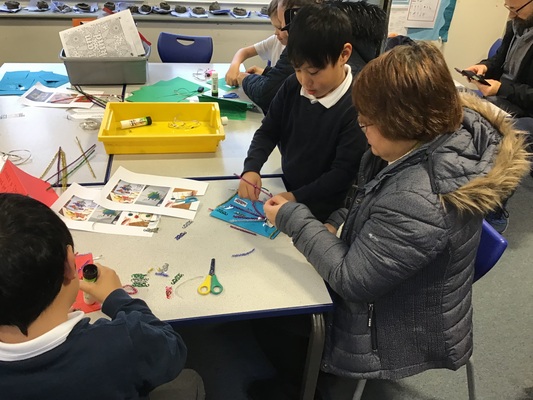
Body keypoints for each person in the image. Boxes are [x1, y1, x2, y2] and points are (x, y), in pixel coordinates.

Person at [263, 42, 529, 397]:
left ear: (402, 122)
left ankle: (308, 386)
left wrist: (293, 218)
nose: (361, 128)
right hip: (397, 278)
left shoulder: (418, 198)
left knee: (280, 315)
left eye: (367, 122)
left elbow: (352, 280)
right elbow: (364, 196)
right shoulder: (422, 144)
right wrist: (337, 222)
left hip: (400, 320)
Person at [0, 194, 202, 399]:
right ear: (70, 264)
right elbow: (172, 349)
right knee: (190, 380)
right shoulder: (123, 341)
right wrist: (117, 298)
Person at [238, 3, 367, 223]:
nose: (305, 81)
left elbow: (342, 174)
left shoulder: (357, 106)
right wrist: (251, 168)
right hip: (287, 186)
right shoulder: (292, 85)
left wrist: (295, 197)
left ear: (344, 54)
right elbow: (268, 131)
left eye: (314, 72)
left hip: (325, 210)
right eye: (298, 69)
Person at [464, 0, 533, 231]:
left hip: (527, 110)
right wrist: (483, 68)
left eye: (515, 9)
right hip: (505, 98)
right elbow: (499, 62)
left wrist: (502, 89)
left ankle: (495, 208)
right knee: (461, 112)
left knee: (508, 138)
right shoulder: (516, 24)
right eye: (507, 7)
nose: (510, 15)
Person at [239, 0, 317, 114]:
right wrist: (266, 72)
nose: (305, 80)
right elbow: (285, 78)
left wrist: (244, 79)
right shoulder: (301, 43)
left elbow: (266, 95)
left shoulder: (301, 47)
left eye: (280, 25)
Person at [225, 0, 288, 87]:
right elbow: (244, 52)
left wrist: (245, 79)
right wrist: (234, 67)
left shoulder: (294, 53)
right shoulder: (275, 40)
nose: (275, 33)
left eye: (279, 27)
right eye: (274, 27)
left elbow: (272, 88)